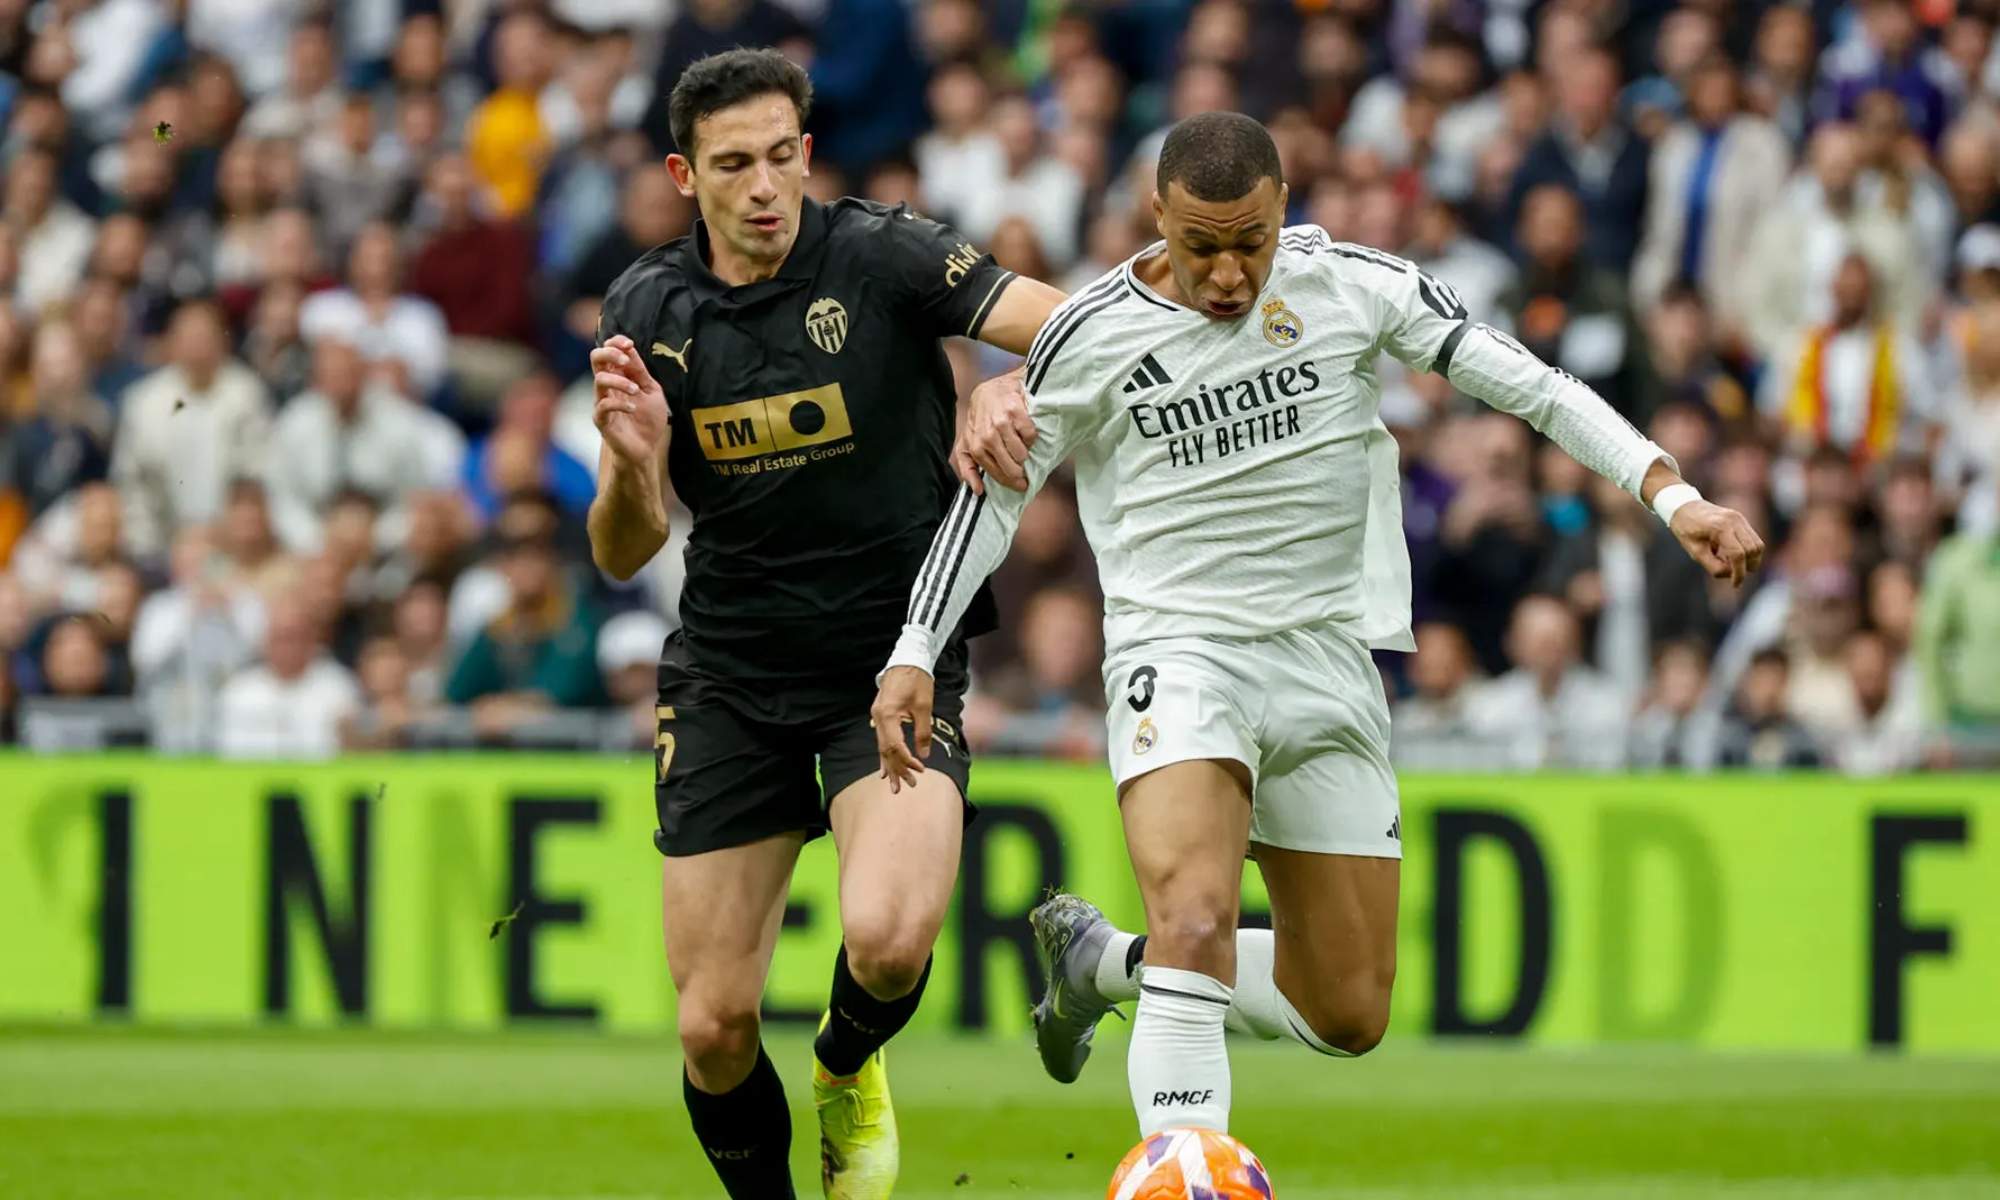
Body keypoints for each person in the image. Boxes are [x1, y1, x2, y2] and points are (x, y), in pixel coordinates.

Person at [871, 112, 1763, 1142]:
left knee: (1344, 1011)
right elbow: (991, 503)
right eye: (1199, 245)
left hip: (1327, 660)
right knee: (1195, 918)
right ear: (1154, 216)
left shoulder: (1350, 284)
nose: (1225, 274)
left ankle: (1100, 964)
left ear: (1282, 208)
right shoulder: (1092, 334)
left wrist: (1671, 494)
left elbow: (1532, 386)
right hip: (1180, 650)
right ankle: (1182, 1164)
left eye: (1247, 241)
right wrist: (912, 649)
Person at [583, 49, 1060, 1200]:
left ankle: (846, 1064)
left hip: (891, 657)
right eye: (732, 164)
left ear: (806, 152)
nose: (762, 185)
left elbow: (1066, 323)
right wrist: (636, 469)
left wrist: (1010, 379)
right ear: (682, 175)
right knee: (710, 1027)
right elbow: (623, 549)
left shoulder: (884, 254)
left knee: (889, 942)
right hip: (733, 675)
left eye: (780, 156)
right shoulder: (648, 309)